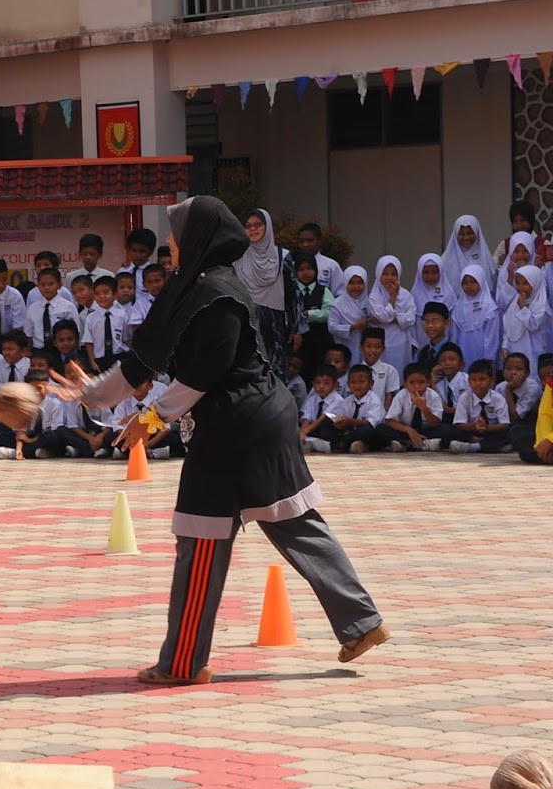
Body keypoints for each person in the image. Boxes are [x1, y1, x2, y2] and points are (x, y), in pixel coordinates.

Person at [54, 195, 386, 684]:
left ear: (197, 238)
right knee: (293, 522)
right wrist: (93, 394)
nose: (169, 242)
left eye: (176, 233)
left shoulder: (218, 294)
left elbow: (205, 372)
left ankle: (183, 662)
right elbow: (142, 361)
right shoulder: (192, 287)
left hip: (236, 426)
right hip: (254, 421)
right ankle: (362, 622)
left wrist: (151, 418)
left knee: (202, 537)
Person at [238, 209, 294, 380]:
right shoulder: (238, 256)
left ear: (267, 226)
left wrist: (294, 327)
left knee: (274, 370)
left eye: (258, 225)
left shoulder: (283, 256)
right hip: (247, 321)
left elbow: (292, 294)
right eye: (248, 226)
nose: (253, 230)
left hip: (274, 322)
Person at [446, 360, 512, 454]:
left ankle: (474, 447)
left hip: (492, 431)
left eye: (482, 379)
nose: (477, 383)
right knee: (451, 430)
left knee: (511, 432)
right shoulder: (465, 397)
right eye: (474, 380)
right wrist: (474, 426)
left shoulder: (498, 399)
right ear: (469, 381)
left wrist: (487, 427)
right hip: (471, 433)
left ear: (492, 380)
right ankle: (491, 446)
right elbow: (459, 423)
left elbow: (504, 425)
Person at [450, 268, 500, 370]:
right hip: (463, 352)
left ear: (481, 281)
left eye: (473, 282)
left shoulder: (489, 306)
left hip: (482, 354)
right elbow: (455, 334)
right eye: (465, 283)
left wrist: (489, 356)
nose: (469, 286)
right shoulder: (458, 306)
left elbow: (492, 335)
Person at [290, 254, 333, 369]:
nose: (306, 273)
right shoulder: (291, 291)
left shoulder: (323, 291)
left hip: (321, 340)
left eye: (309, 268)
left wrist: (309, 314)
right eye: (301, 270)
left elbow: (330, 312)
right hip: (298, 341)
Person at [441, 214, 495, 303]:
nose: (466, 237)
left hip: (484, 306)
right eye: (462, 234)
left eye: (470, 233)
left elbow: (493, 284)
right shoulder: (446, 259)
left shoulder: (485, 256)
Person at [502, 265, 550, 364]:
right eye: (518, 283)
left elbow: (534, 325)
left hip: (533, 352)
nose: (521, 287)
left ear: (535, 283)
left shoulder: (541, 305)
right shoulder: (516, 301)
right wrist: (505, 346)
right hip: (514, 350)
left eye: (525, 283)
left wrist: (523, 309)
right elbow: (508, 325)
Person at [335, 365, 388, 452]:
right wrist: (340, 423)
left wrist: (350, 421)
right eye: (353, 382)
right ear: (348, 384)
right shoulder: (347, 401)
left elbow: (370, 424)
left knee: (369, 431)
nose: (357, 385)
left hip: (369, 432)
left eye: (362, 382)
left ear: (371, 383)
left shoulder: (374, 400)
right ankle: (352, 444)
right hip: (351, 431)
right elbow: (342, 418)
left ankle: (345, 443)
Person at [82, 276, 126, 375]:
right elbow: (89, 342)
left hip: (118, 357)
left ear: (114, 294)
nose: (102, 296)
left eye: (106, 292)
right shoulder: (91, 317)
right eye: (97, 294)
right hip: (100, 359)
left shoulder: (122, 315)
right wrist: (92, 362)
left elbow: (126, 339)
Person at [299, 367, 346, 453]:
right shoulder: (312, 400)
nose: (321, 386)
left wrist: (303, 434)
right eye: (317, 383)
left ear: (335, 385)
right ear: (313, 383)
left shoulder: (338, 400)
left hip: (329, 434)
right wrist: (301, 434)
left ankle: (323, 445)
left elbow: (321, 419)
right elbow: (307, 419)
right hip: (314, 431)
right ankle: (309, 442)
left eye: (326, 383)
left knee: (326, 421)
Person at [25, 267, 72, 353]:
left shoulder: (68, 307)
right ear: (38, 286)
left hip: (61, 351)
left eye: (51, 284)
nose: (46, 287)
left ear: (59, 285)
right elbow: (29, 335)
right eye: (43, 284)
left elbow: (75, 333)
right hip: (38, 350)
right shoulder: (32, 308)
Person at [328, 266, 370, 353]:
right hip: (344, 346)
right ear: (345, 283)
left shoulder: (369, 302)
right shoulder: (338, 304)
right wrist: (353, 327)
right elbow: (332, 327)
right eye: (351, 283)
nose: (356, 286)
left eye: (360, 282)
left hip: (366, 347)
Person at [492, 200, 545, 269]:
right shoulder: (504, 246)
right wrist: (505, 265)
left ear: (531, 220)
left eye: (522, 221)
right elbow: (495, 269)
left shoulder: (544, 245)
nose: (519, 225)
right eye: (515, 221)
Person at [357, 328, 402, 407]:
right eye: (368, 346)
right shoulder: (355, 371)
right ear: (361, 347)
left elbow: (390, 396)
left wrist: (383, 413)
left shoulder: (390, 370)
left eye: (377, 347)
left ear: (383, 349)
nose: (373, 350)